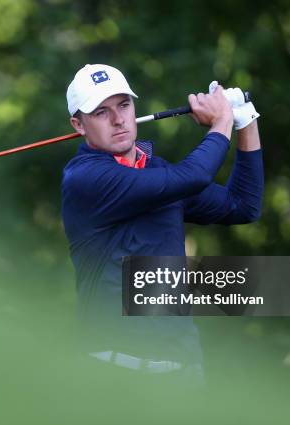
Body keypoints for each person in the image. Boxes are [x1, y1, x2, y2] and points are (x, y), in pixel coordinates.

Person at [60, 64, 263, 381]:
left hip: (183, 373)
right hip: (113, 374)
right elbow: (194, 175)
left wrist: (244, 119)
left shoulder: (155, 171)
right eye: (101, 112)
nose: (118, 120)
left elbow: (243, 206)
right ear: (79, 124)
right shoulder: (85, 178)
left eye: (124, 105)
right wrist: (221, 120)